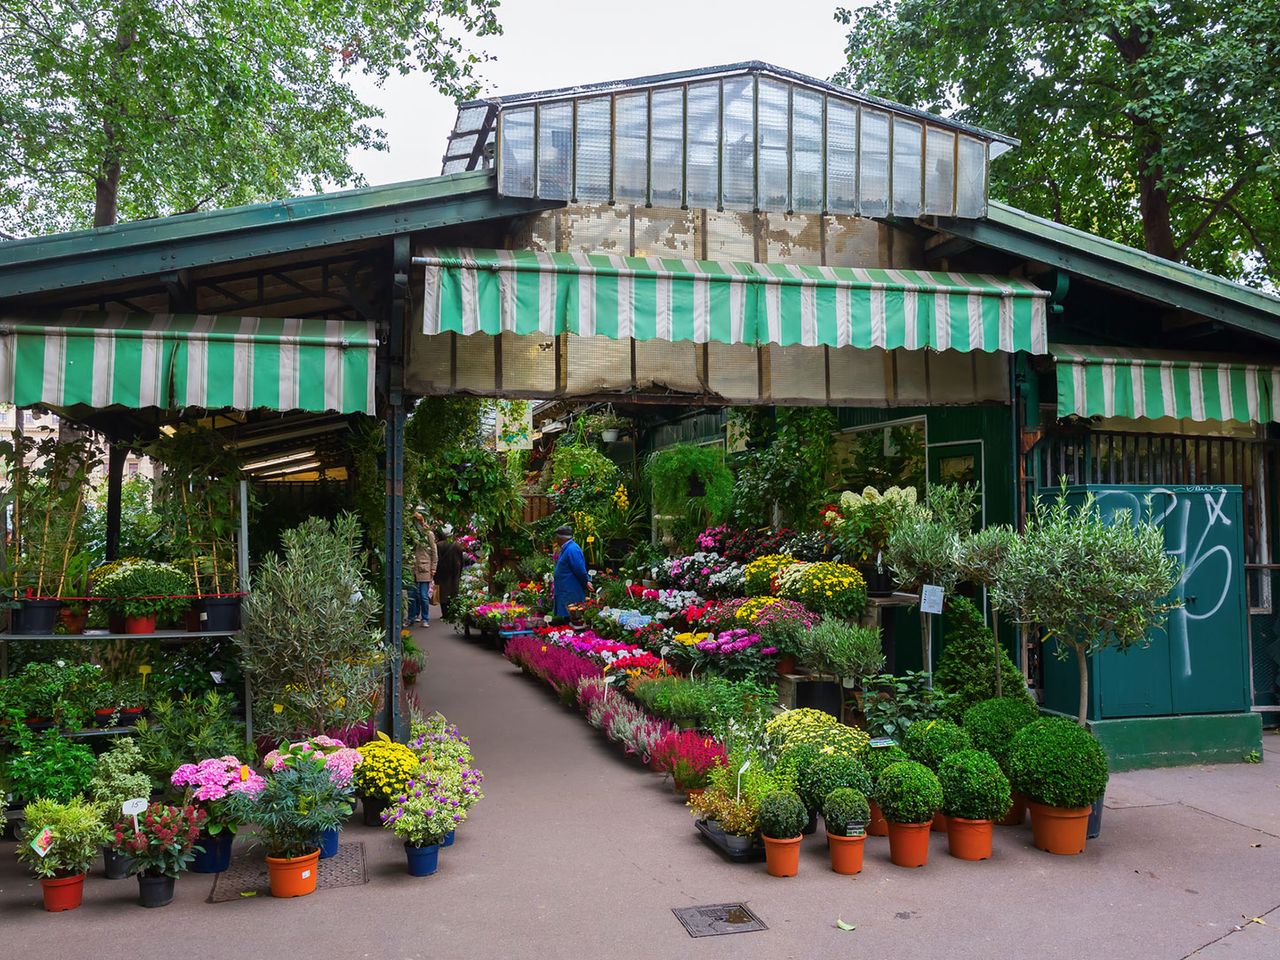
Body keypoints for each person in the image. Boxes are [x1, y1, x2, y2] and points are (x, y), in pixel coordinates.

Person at [551, 525, 591, 619]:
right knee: (566, 620)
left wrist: (586, 582)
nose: (556, 540)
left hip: (570, 594)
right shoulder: (566, 548)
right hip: (565, 592)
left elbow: (580, 571)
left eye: (556, 537)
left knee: (571, 619)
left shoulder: (572, 549)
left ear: (561, 538)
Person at [407, 508, 437, 627]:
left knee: (423, 595)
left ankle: (425, 618)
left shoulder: (428, 534)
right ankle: (412, 617)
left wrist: (433, 567)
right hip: (413, 567)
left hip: (424, 567)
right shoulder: (411, 535)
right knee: (412, 594)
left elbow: (434, 551)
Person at [434, 524, 465, 623]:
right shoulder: (457, 545)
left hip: (442, 571)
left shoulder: (439, 545)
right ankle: (453, 613)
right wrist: (460, 571)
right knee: (453, 591)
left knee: (443, 592)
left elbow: (436, 559)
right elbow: (461, 560)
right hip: (454, 571)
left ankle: (445, 614)